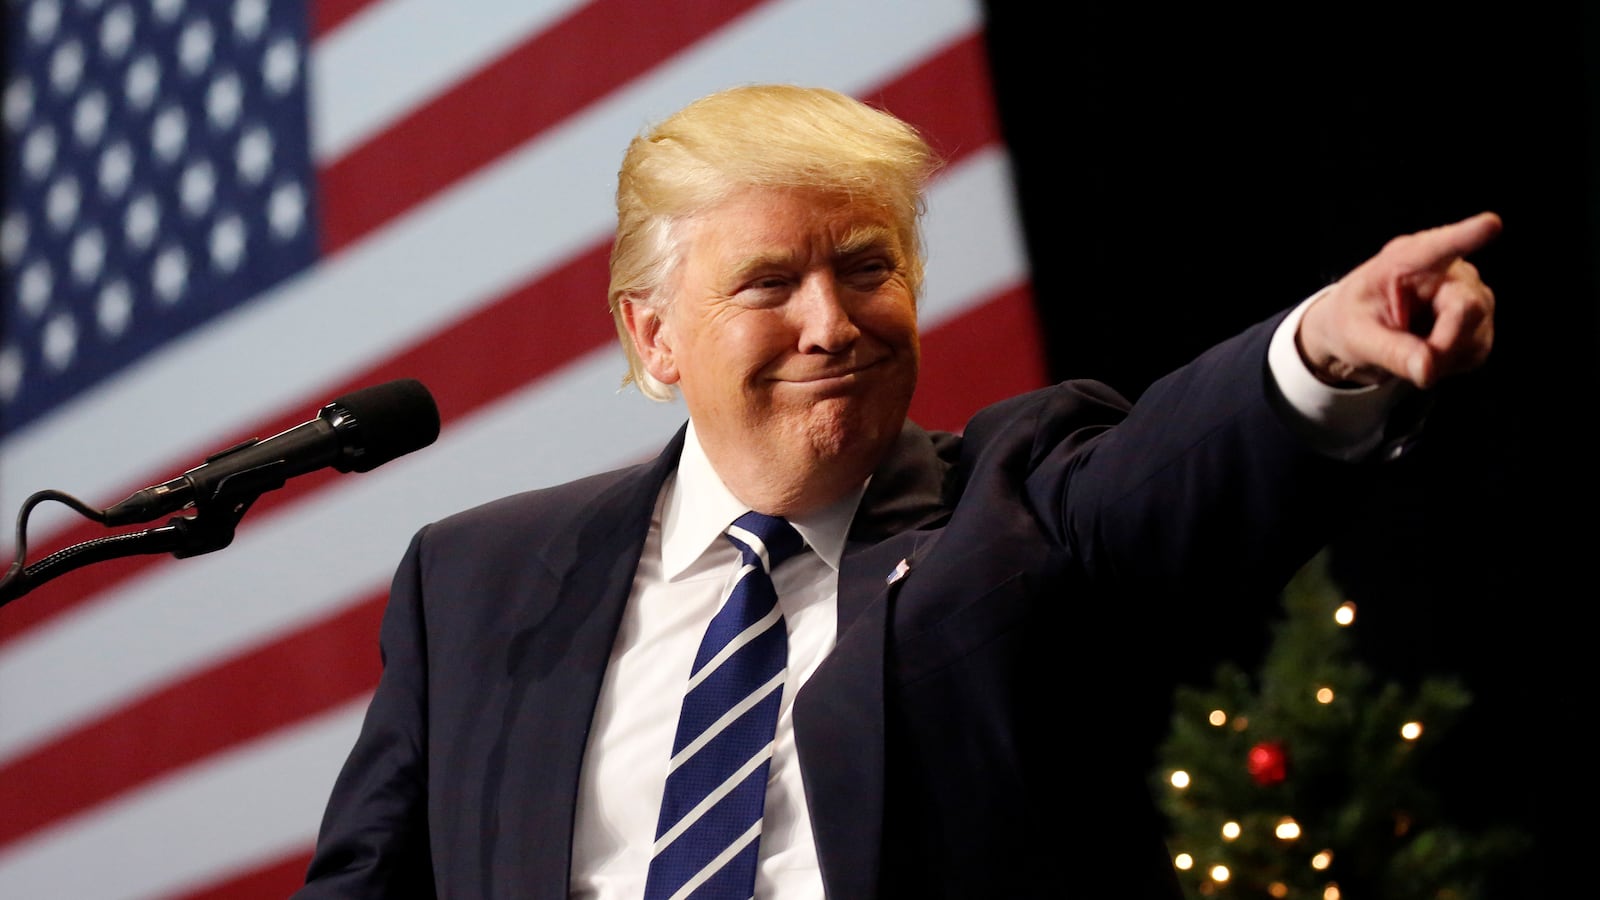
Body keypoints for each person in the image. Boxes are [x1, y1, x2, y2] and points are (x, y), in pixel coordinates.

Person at [293, 84, 1500, 898]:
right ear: (654, 337)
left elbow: (1166, 474)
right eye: (769, 283)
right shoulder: (476, 585)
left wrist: (1320, 353)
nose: (832, 324)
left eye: (868, 268)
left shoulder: (1018, 501)